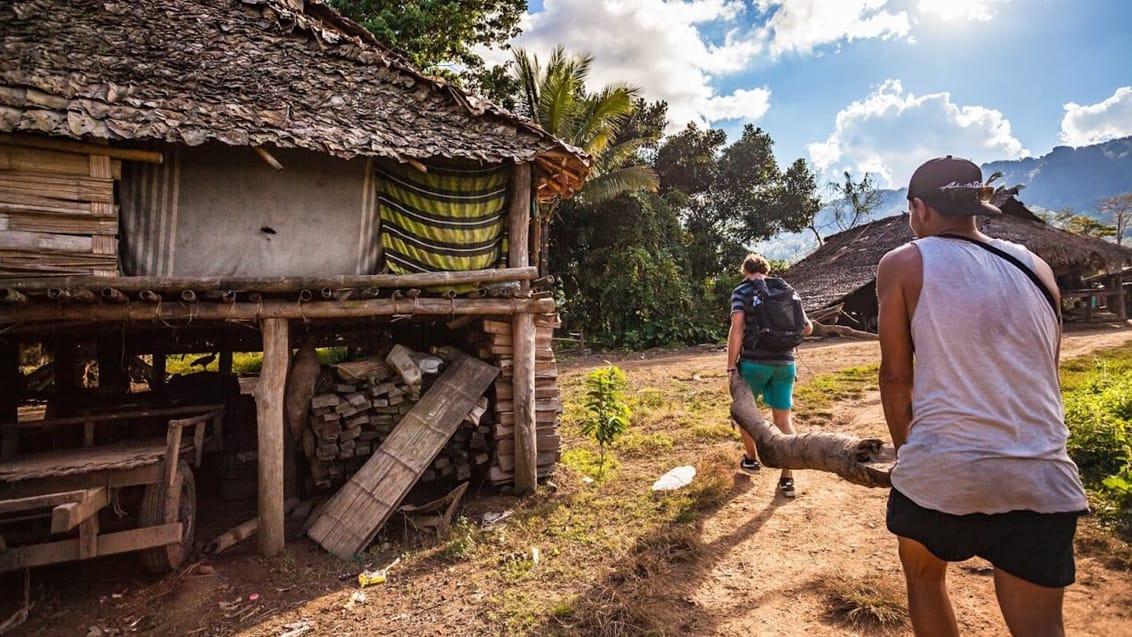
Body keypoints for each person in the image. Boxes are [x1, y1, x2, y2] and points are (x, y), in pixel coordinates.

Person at [876, 156, 1089, 637]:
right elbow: (1046, 371)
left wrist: (907, 453)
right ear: (978, 208)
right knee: (1040, 628)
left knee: (925, 580)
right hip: (1041, 472)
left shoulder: (905, 262)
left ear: (918, 208)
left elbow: (894, 375)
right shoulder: (1036, 267)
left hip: (947, 466)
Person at [727, 253, 813, 498]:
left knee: (746, 414)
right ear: (766, 269)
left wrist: (731, 367)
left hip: (754, 363)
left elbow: (737, 329)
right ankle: (787, 479)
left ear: (745, 271)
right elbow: (807, 328)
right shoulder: (786, 289)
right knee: (783, 420)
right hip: (785, 364)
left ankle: (752, 460)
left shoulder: (742, 291)